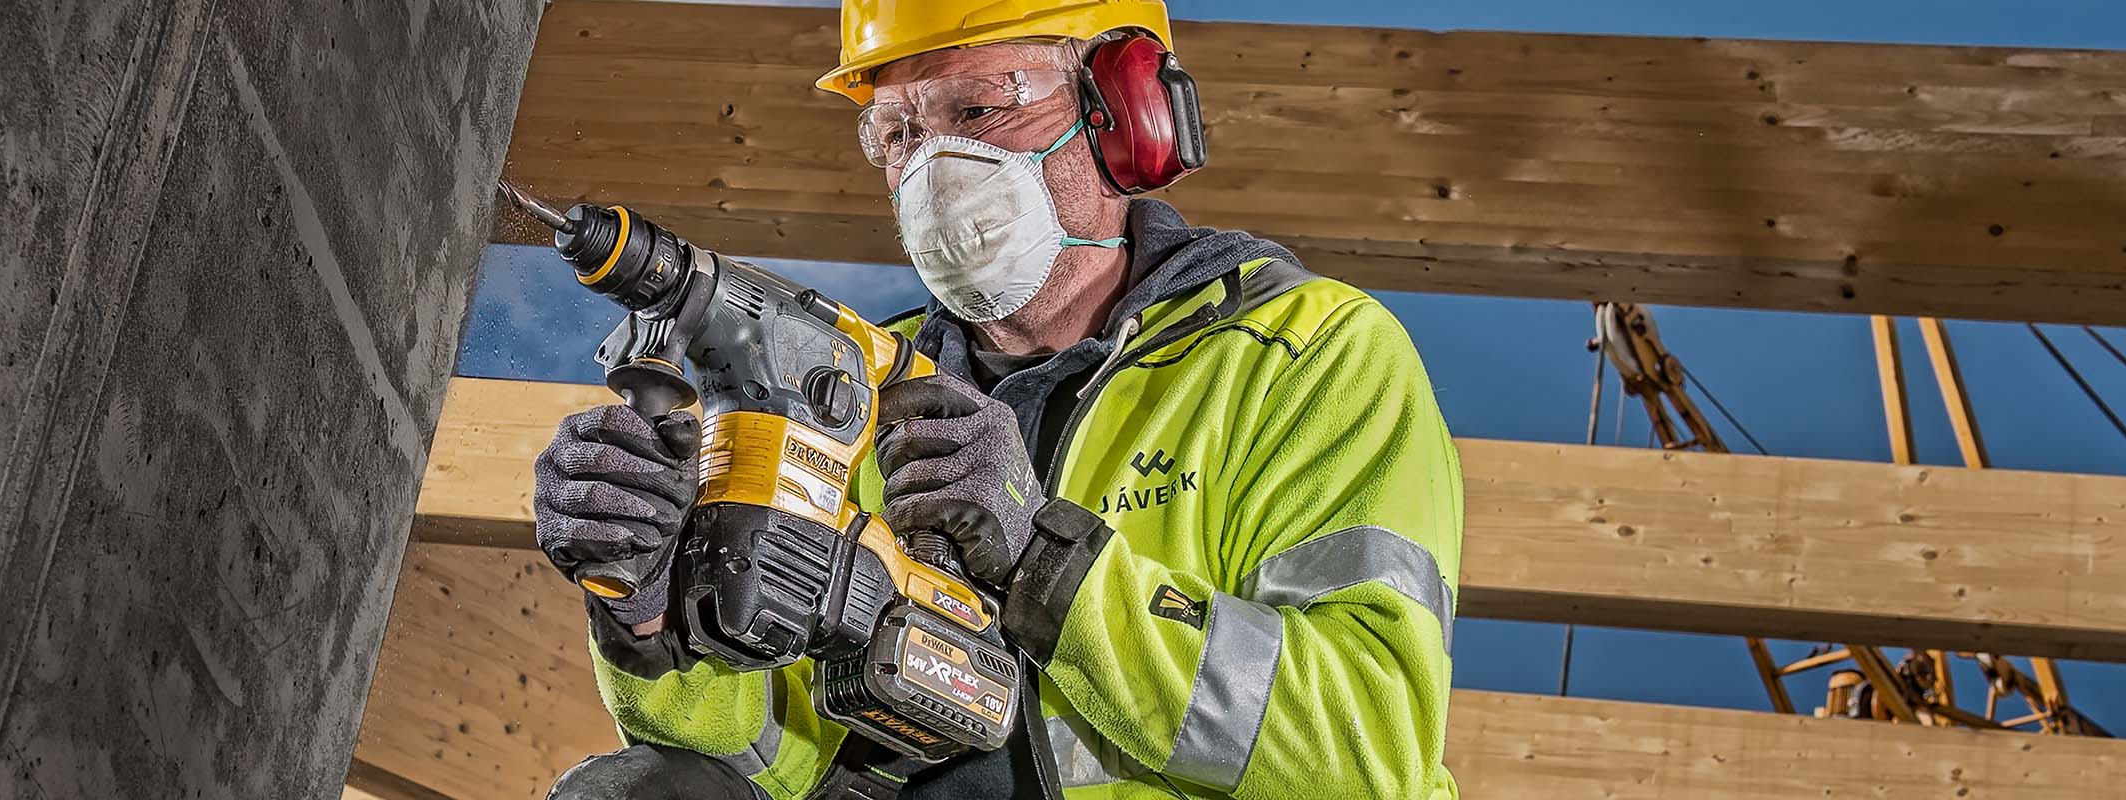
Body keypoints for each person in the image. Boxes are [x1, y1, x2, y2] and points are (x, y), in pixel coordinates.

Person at [530, 1, 1466, 797]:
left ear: (1126, 114)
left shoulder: (1305, 354)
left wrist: (1045, 568)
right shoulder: (856, 390)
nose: (934, 170)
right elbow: (769, 758)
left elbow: (1368, 753)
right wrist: (655, 615)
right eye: (897, 133)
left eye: (979, 109)